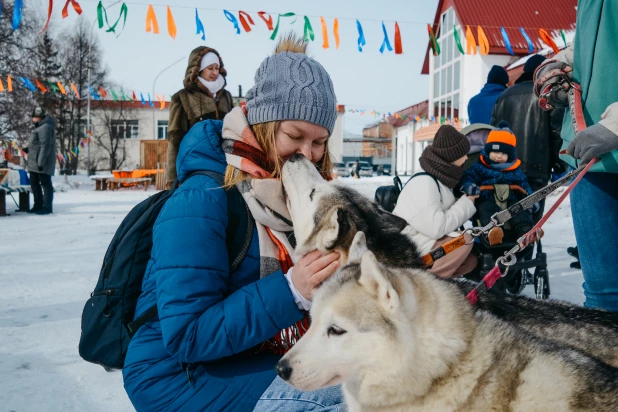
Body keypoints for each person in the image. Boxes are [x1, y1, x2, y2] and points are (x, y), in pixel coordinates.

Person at [122, 34, 346, 411]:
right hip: (174, 373)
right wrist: (293, 288)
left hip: (248, 354)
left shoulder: (300, 198)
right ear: (262, 125)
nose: (307, 155)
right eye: (294, 136)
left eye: (320, 142)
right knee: (338, 397)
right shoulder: (202, 200)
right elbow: (188, 336)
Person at [533, 0, 618, 312]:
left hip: (604, 138)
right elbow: (594, 44)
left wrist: (615, 126)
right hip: (591, 160)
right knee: (602, 299)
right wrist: (559, 63)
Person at [393, 125, 477, 278]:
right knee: (464, 240)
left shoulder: (440, 178)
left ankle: (442, 283)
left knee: (470, 261)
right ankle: (428, 284)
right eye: (463, 154)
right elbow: (436, 228)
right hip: (411, 245)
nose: (466, 158)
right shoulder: (425, 183)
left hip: (425, 241)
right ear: (452, 156)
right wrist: (466, 202)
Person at [491, 54, 566, 221]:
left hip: (505, 169)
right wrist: (559, 165)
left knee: (506, 221)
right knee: (530, 222)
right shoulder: (546, 94)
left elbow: (493, 135)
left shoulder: (504, 96)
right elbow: (556, 133)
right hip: (536, 169)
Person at [166, 46, 234, 186]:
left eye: (217, 67)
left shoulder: (226, 96)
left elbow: (233, 132)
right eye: (210, 68)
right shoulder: (183, 97)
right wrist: (173, 178)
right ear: (198, 69)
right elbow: (175, 139)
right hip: (196, 167)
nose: (215, 72)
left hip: (225, 166)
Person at [461, 122, 537, 239]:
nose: (498, 156)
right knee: (487, 210)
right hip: (486, 199)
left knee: (519, 209)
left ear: (510, 155)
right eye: (495, 152)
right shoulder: (479, 167)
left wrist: (530, 198)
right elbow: (469, 178)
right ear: (488, 151)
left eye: (503, 153)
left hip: (510, 201)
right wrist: (469, 186)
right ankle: (492, 232)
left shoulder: (514, 169)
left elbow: (523, 183)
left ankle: (525, 230)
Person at [26, 107, 56, 215]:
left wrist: (41, 162)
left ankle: (47, 207)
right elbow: (37, 143)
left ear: (39, 117)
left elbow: (45, 146)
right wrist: (28, 148)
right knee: (34, 184)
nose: (32, 119)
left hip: (42, 163)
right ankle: (37, 205)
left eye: (34, 117)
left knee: (45, 183)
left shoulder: (45, 127)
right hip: (34, 162)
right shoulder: (40, 127)